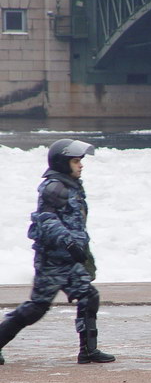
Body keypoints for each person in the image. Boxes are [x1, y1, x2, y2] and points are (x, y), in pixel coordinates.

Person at [0, 139, 115, 365]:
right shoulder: (55, 187)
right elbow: (46, 220)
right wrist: (69, 243)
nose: (81, 165)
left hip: (68, 260)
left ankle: (88, 351)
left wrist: (80, 249)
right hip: (52, 261)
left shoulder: (71, 185)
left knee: (89, 296)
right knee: (37, 307)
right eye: (75, 161)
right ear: (63, 163)